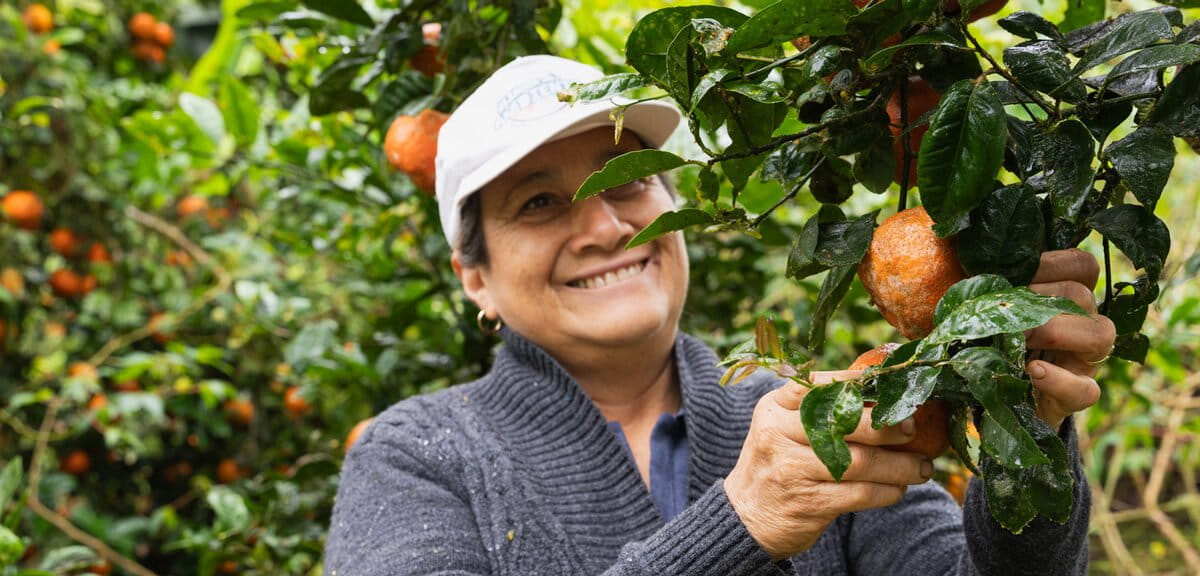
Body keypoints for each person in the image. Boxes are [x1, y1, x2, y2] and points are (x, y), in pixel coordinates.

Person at [324, 55, 1114, 575]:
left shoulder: (811, 416)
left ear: (670, 203)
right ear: (476, 279)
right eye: (538, 203)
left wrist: (1025, 428)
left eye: (626, 178)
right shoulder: (416, 457)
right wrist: (743, 521)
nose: (604, 226)